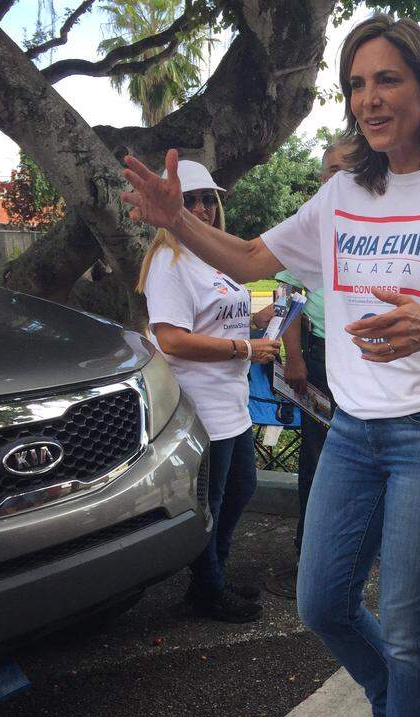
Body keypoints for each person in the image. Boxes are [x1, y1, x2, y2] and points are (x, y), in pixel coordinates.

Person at [122, 15, 420, 717]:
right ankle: (394, 706)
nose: (369, 98)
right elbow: (245, 259)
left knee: (411, 618)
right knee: (321, 600)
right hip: (352, 431)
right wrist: (176, 219)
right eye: (355, 84)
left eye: (386, 80)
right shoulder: (345, 195)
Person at [136, 160, 281, 623]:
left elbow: (217, 317)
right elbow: (173, 338)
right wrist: (244, 345)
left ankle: (213, 568)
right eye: (190, 199)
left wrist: (257, 322)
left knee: (241, 488)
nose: (201, 208)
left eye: (208, 199)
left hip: (231, 399)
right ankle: (208, 587)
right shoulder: (169, 261)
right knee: (211, 499)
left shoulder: (213, 258)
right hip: (199, 403)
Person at [264, 139, 350, 600]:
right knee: (319, 460)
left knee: (360, 458)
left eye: (349, 169)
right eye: (332, 169)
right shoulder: (307, 224)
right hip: (317, 359)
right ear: (321, 178)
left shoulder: (367, 220)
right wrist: (293, 359)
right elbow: (285, 297)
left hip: (363, 362)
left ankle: (349, 552)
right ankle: (308, 558)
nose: (338, 178)